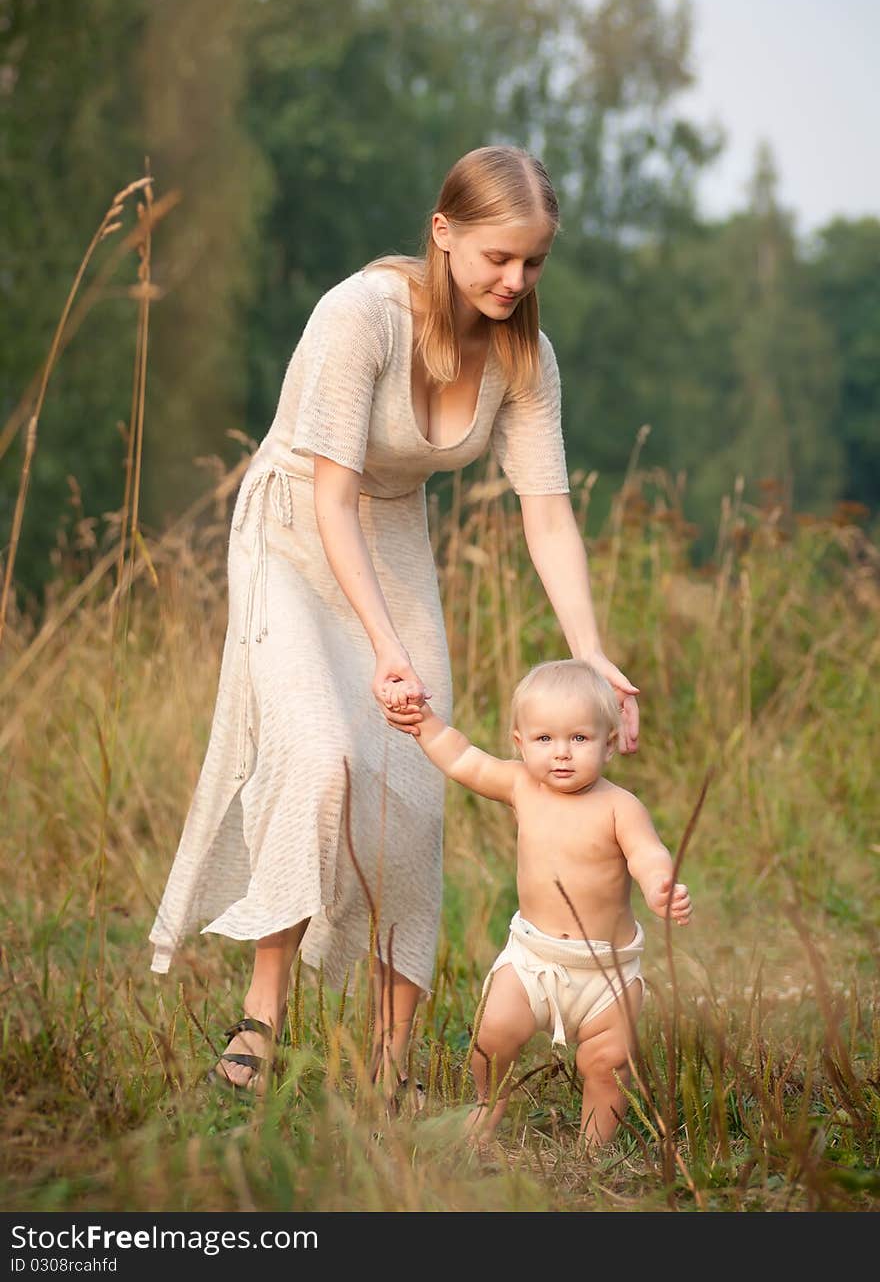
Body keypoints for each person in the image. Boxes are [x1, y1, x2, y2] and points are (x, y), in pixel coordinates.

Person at [148, 145, 640, 1099]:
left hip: (395, 539)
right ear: (443, 233)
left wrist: (591, 655)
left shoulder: (525, 356)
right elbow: (332, 501)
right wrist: (384, 649)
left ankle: (389, 1059)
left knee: (413, 787)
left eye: (534, 261)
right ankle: (262, 1014)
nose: (515, 280)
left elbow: (546, 509)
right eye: (499, 257)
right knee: (324, 752)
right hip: (295, 531)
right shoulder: (358, 316)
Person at [384, 658, 691, 1146]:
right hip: (533, 956)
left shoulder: (620, 806)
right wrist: (423, 723)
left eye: (580, 739)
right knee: (491, 1034)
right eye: (545, 739)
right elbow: (463, 758)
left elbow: (647, 853)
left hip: (607, 972)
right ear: (520, 743)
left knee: (606, 1064)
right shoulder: (522, 785)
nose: (562, 754)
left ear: (609, 743)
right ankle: (489, 1105)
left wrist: (660, 885)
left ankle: (594, 1149)